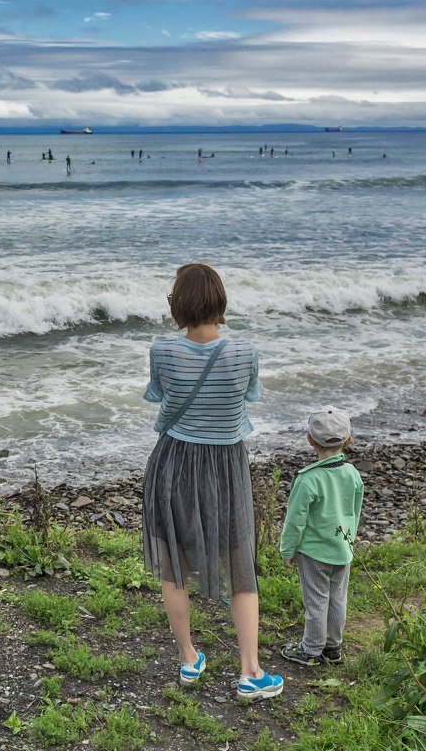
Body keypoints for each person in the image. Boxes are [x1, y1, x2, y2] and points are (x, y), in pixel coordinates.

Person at [142, 263, 283, 701]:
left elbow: (162, 402)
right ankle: (251, 672)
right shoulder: (245, 351)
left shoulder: (162, 351)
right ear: (220, 302)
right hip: (226, 466)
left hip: (172, 463)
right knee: (242, 568)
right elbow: (247, 398)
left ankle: (188, 658)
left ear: (177, 305)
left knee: (174, 568)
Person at [279, 407, 364, 666]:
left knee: (316, 601)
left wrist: (287, 550)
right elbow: (354, 512)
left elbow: (295, 521)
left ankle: (311, 650)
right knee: (337, 598)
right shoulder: (352, 474)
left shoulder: (308, 480)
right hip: (342, 549)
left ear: (309, 440)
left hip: (314, 552)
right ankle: (333, 648)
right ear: (348, 441)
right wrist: (349, 540)